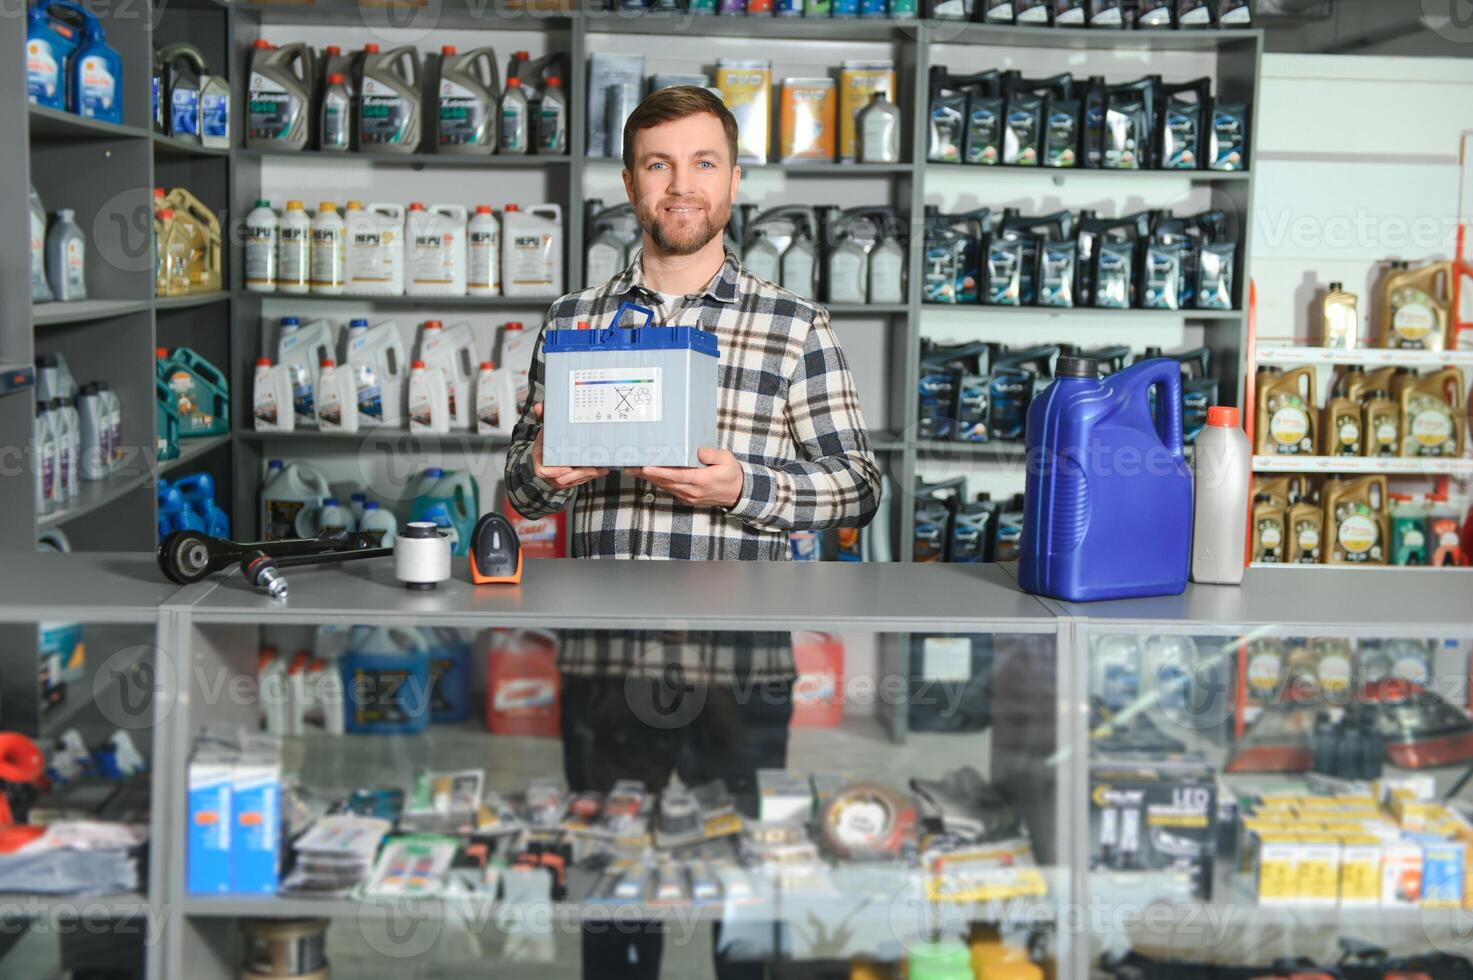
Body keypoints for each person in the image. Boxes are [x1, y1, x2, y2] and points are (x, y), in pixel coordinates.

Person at [503, 85, 882, 980]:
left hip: (738, 661)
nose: (681, 184)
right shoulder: (571, 323)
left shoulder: (795, 329)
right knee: (611, 888)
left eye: (702, 162)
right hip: (605, 661)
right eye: (658, 163)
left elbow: (859, 488)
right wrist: (544, 472)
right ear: (630, 184)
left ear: (734, 180)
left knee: (745, 895)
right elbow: (516, 489)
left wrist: (743, 486)